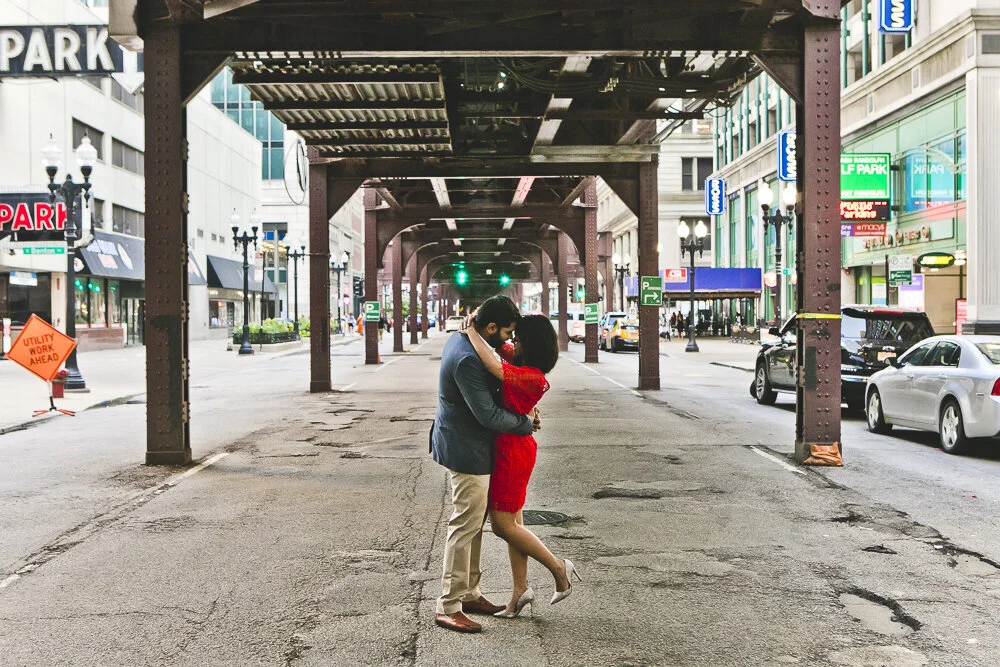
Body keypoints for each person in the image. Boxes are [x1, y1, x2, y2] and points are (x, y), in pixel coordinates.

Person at [429, 295, 538, 634]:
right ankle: (448, 605)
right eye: (506, 333)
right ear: (490, 327)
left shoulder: (465, 339)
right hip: (466, 451)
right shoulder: (467, 360)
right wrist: (525, 423)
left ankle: (469, 592)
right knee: (464, 526)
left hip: (469, 447)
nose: (508, 339)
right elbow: (487, 414)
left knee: (474, 526)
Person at [462, 313, 580, 619]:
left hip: (513, 452)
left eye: (517, 337)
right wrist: (480, 322)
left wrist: (470, 331)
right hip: (508, 446)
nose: (512, 341)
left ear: (530, 343)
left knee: (502, 526)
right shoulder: (520, 361)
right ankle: (519, 592)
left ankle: (558, 568)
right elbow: (496, 349)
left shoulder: (533, 376)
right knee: (515, 524)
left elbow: (491, 364)